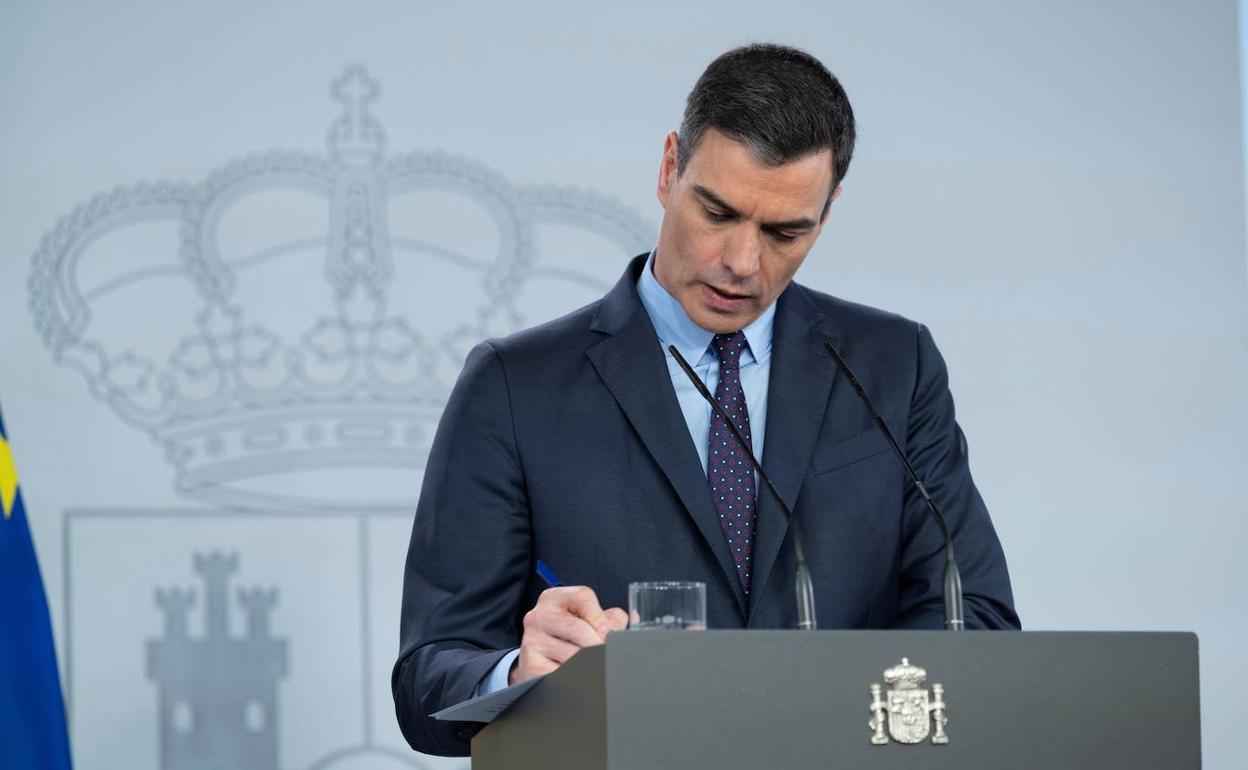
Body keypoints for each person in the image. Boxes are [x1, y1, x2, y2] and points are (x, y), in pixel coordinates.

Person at [392, 43, 1019, 757]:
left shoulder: (892, 367)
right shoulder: (514, 385)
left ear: (827, 212)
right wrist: (519, 670)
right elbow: (427, 679)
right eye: (717, 213)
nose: (742, 264)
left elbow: (977, 620)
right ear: (669, 169)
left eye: (785, 232)